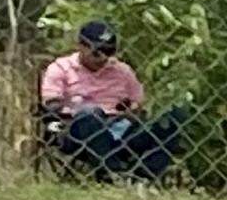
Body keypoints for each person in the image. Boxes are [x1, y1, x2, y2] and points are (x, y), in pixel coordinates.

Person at [38, 20, 185, 182]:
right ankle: (112, 173)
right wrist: (79, 111)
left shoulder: (122, 71)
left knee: (171, 118)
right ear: (81, 46)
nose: (103, 58)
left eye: (108, 52)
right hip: (79, 128)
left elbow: (139, 102)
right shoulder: (61, 68)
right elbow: (51, 104)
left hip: (120, 126)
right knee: (90, 114)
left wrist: (131, 110)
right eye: (97, 52)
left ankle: (143, 176)